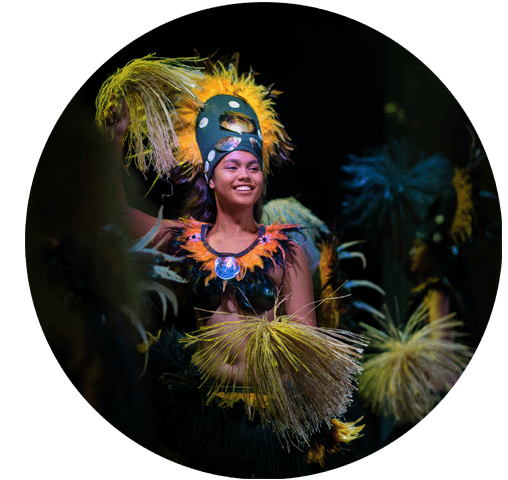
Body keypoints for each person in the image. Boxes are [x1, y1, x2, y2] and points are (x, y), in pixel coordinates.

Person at [96, 54, 365, 477]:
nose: (245, 175)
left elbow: (310, 348)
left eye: (253, 167)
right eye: (232, 166)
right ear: (210, 176)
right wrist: (114, 139)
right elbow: (112, 210)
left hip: (266, 418)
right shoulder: (187, 240)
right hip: (200, 407)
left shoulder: (286, 248)